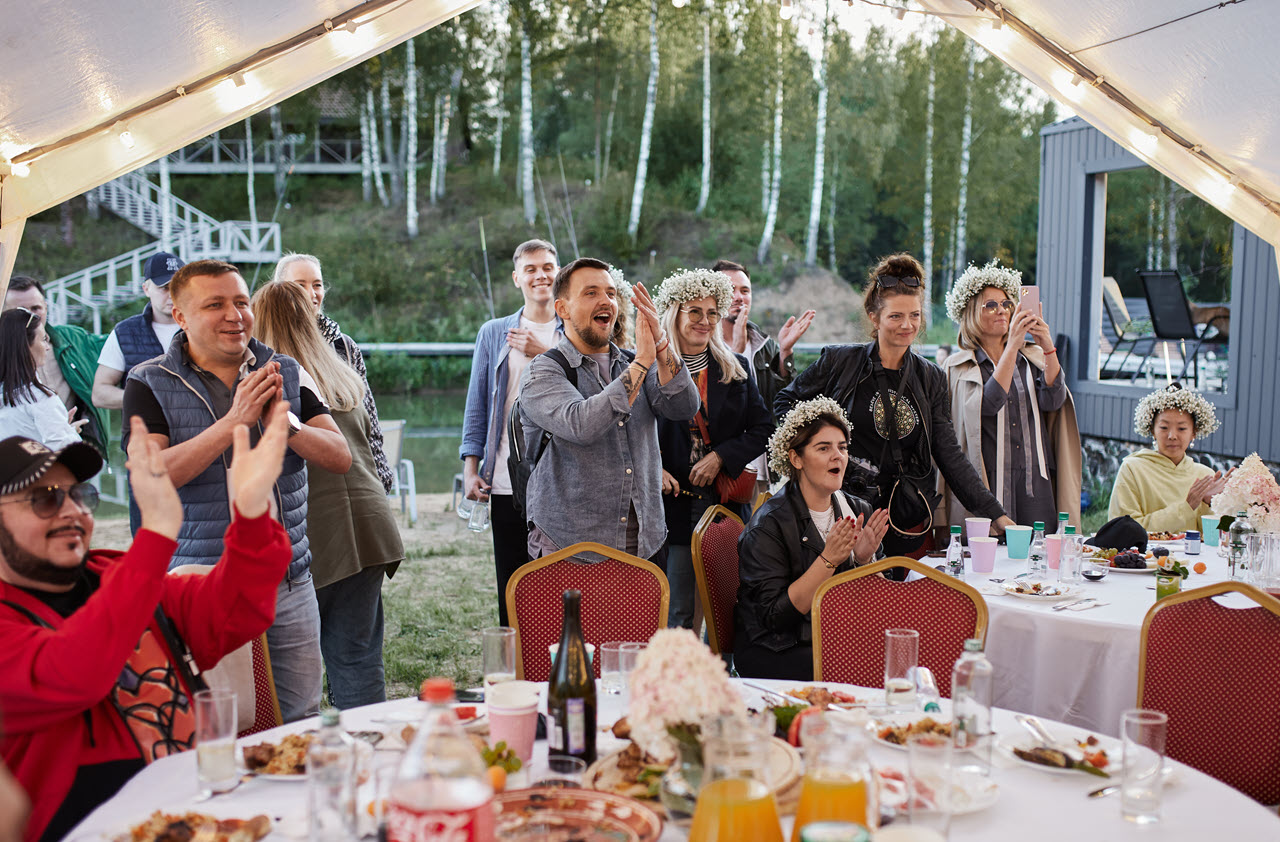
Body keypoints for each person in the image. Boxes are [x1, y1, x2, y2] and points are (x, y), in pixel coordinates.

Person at [0, 406, 294, 842]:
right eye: (45, 498)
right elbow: (76, 673)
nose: (72, 510)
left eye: (78, 495)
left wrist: (251, 516)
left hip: (203, 814)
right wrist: (155, 533)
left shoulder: (115, 576)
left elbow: (235, 613)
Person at [122, 259, 351, 722]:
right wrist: (234, 422)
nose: (235, 315)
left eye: (242, 302)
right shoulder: (147, 381)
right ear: (180, 315)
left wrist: (285, 426)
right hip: (201, 582)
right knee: (218, 721)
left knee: (302, 715)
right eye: (216, 304)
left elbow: (339, 455)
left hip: (287, 577)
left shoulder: (283, 368)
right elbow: (150, 474)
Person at [774, 254, 1012, 557]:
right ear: (874, 317)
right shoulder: (841, 362)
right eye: (896, 316)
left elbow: (948, 453)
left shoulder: (931, 378)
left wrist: (994, 512)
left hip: (901, 516)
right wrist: (813, 455)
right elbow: (785, 403)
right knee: (841, 597)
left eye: (914, 316)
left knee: (894, 601)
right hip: (841, 510)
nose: (907, 325)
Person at [251, 280, 405, 709]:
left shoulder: (274, 381)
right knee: (358, 653)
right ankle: (369, 745)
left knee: (301, 663)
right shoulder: (339, 367)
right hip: (371, 522)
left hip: (318, 530)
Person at [520, 258, 698, 567]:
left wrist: (661, 344)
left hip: (646, 542)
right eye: (591, 293)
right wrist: (643, 362)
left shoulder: (634, 361)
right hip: (571, 547)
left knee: (643, 620)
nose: (606, 301)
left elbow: (684, 406)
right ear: (562, 309)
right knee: (577, 620)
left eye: (611, 293)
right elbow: (582, 424)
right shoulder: (543, 372)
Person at [735, 397, 890, 680]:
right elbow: (773, 617)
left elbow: (879, 604)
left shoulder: (858, 511)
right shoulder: (769, 525)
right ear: (796, 458)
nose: (838, 456)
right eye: (824, 448)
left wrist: (865, 560)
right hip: (778, 649)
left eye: (842, 448)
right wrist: (828, 559)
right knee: (872, 667)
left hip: (837, 635)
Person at [653, 269, 770, 629]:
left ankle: (724, 678)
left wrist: (720, 456)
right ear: (674, 312)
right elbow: (630, 430)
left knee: (729, 604)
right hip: (672, 503)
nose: (705, 321)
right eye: (695, 312)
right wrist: (652, 470)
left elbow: (764, 427)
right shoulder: (649, 368)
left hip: (724, 502)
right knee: (679, 609)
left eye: (712, 313)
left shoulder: (735, 367)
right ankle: (680, 681)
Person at [460, 240, 561, 623]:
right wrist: (472, 468)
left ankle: (558, 674)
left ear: (559, 272)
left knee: (558, 587)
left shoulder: (575, 332)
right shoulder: (494, 332)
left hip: (563, 482)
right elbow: (478, 405)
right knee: (513, 588)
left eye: (548, 267)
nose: (541, 275)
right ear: (517, 277)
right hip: (506, 479)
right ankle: (518, 675)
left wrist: (544, 353)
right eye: (532, 269)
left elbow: (588, 393)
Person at [939, 260, 1082, 530]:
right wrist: (1014, 344)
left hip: (1035, 479)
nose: (1002, 311)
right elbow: (989, 404)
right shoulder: (959, 366)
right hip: (987, 478)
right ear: (970, 313)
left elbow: (1053, 401)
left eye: (1006, 304)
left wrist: (1048, 346)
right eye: (990, 305)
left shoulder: (1031, 358)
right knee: (990, 560)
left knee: (1038, 558)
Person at [272, 253, 395, 494]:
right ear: (279, 291)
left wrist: (381, 477)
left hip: (358, 478)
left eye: (317, 284)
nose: (312, 293)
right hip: (300, 486)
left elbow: (370, 418)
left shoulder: (344, 347)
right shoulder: (268, 349)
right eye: (300, 285)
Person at [91, 252, 186, 534]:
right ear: (146, 289)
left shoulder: (203, 325)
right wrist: (148, 401)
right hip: (145, 453)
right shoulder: (124, 332)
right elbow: (100, 392)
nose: (171, 294)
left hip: (198, 446)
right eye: (162, 287)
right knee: (148, 538)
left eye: (177, 285)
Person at [713, 260, 815, 491]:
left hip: (761, 470)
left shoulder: (765, 346)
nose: (739, 296)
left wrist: (785, 352)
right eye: (730, 290)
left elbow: (784, 403)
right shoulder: (702, 345)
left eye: (745, 290)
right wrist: (737, 353)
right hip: (721, 471)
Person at [3, 277, 108, 452]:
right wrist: (66, 434)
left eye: (36, 308)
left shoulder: (73, 340)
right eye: (20, 311)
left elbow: (115, 344)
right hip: (40, 468)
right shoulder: (40, 397)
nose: (31, 315)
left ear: (46, 306)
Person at [1109, 383, 1229, 532]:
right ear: (1152, 430)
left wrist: (1212, 504)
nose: (1172, 436)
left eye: (1182, 428)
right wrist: (1186, 507)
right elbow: (1123, 530)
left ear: (1194, 432)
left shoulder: (1205, 476)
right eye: (1164, 428)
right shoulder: (1133, 469)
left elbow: (1215, 540)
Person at [0, 309, 82, 450]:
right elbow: (71, 456)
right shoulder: (39, 399)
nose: (47, 348)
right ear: (25, 346)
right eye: (44, 339)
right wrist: (69, 433)